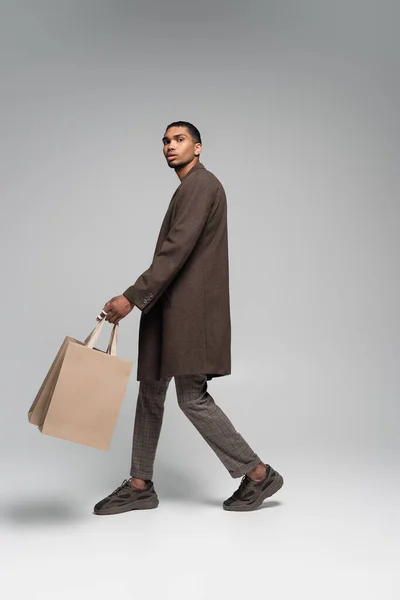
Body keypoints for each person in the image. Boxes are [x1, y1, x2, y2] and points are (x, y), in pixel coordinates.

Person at [93, 121, 283, 515]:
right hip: (169, 308)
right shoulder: (189, 187)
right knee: (150, 392)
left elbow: (175, 251)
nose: (169, 146)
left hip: (187, 313)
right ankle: (140, 483)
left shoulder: (200, 185)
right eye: (165, 141)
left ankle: (258, 473)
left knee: (191, 398)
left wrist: (131, 297)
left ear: (198, 147)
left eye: (179, 140)